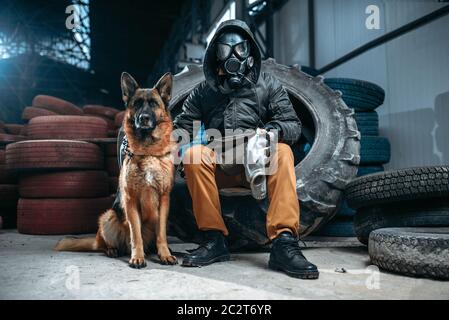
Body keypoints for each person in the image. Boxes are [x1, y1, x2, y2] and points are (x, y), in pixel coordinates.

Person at [173, 20, 319, 279]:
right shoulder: (203, 93)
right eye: (224, 51)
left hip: (259, 166)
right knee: (194, 155)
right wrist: (158, 145)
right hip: (221, 167)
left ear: (250, 55)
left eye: (240, 49)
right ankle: (213, 239)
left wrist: (271, 133)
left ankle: (284, 243)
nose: (232, 57)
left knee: (283, 152)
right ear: (214, 57)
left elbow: (293, 125)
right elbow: (180, 129)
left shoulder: (269, 85)